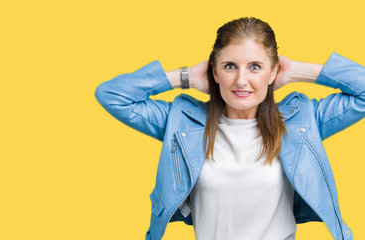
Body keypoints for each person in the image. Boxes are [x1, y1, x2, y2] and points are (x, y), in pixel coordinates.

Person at [94, 17, 365, 240]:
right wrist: (185, 77)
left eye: (255, 67)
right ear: (214, 72)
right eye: (230, 66)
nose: (241, 80)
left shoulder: (301, 122)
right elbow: (112, 96)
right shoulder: (181, 124)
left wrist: (299, 71)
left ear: (273, 73)